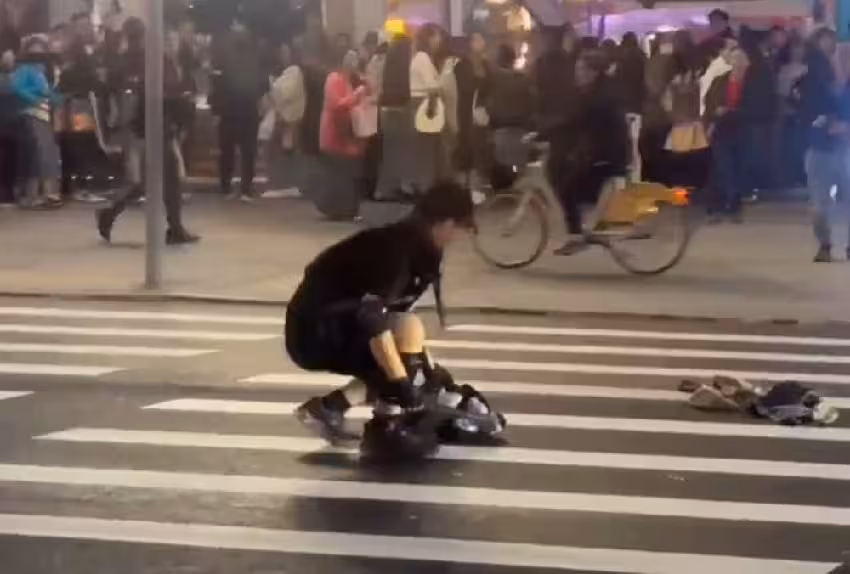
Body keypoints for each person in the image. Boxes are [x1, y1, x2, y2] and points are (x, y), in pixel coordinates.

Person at [286, 181, 475, 456]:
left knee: (411, 359)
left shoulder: (420, 246)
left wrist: (427, 371)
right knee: (402, 360)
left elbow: (397, 316)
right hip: (315, 332)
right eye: (463, 228)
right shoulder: (394, 252)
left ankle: (333, 410)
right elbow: (373, 321)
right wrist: (401, 383)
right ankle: (385, 427)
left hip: (337, 324)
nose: (461, 236)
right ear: (445, 223)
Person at [95, 28, 198, 245]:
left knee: (166, 180)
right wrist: (181, 102)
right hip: (149, 128)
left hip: (159, 126)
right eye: (168, 40)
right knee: (149, 182)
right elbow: (158, 95)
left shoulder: (166, 63)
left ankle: (174, 227)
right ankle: (110, 213)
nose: (172, 44)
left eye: (174, 40)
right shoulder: (156, 63)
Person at [544, 50, 630, 255]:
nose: (577, 74)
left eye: (581, 69)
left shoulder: (598, 96)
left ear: (593, 72)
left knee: (566, 188)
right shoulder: (595, 91)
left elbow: (574, 121)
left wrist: (541, 134)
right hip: (606, 152)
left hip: (608, 156)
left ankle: (577, 236)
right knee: (570, 178)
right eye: (577, 69)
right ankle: (592, 224)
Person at [799, 28, 848, 262]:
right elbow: (806, 112)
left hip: (841, 148)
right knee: (819, 203)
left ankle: (831, 246)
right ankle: (825, 244)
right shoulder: (815, 80)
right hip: (821, 148)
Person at [211, 19, 268, 201]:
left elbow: (217, 85)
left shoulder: (224, 57)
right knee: (245, 151)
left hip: (232, 111)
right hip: (245, 110)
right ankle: (243, 188)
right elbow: (263, 84)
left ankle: (229, 187)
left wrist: (216, 110)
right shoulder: (254, 57)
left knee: (231, 150)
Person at [313, 48, 368, 220]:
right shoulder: (334, 79)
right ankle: (337, 208)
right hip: (334, 130)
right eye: (350, 58)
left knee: (346, 172)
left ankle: (345, 209)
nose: (353, 62)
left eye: (355, 59)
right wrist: (356, 96)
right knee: (338, 172)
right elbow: (336, 104)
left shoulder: (349, 81)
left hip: (346, 131)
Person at [13, 35, 62, 209]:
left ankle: (45, 193)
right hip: (31, 114)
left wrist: (56, 99)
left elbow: (51, 91)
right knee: (39, 154)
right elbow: (18, 88)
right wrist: (35, 98)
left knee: (46, 153)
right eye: (34, 51)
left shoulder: (46, 69)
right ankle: (38, 194)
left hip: (46, 114)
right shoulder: (24, 69)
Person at [0, 48, 17, 206]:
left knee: (9, 159)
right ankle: (7, 194)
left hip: (11, 125)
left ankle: (7, 193)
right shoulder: (13, 79)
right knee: (7, 160)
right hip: (8, 125)